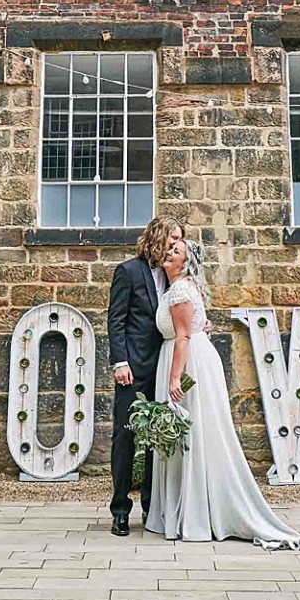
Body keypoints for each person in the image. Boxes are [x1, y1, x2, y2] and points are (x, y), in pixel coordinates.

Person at [145, 236, 300, 551]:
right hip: (191, 356)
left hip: (187, 362)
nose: (169, 252)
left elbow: (182, 336)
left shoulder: (181, 290)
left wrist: (174, 379)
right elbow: (193, 327)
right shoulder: (179, 288)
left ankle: (195, 513)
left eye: (176, 251)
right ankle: (187, 508)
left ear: (186, 262)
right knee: (191, 433)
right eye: (170, 249)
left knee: (191, 432)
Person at [106, 219, 176, 536]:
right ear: (158, 237)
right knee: (126, 437)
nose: (177, 244)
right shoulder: (128, 271)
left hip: (162, 367)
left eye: (180, 240)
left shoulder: (176, 275)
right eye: (173, 238)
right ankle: (120, 508)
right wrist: (120, 361)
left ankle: (151, 506)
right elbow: (116, 319)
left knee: (155, 439)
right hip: (132, 369)